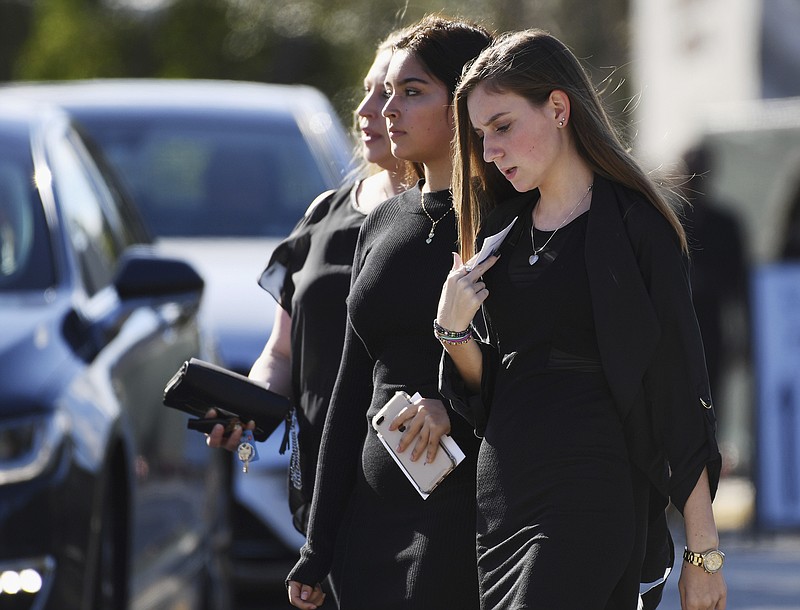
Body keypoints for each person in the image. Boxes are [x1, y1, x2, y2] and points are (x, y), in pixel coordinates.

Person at [436, 30, 726, 610]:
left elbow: (678, 392)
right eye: (479, 135)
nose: (489, 150)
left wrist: (703, 554)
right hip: (504, 492)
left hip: (592, 488)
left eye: (502, 126)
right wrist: (452, 330)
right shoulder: (503, 233)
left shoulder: (636, 227)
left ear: (559, 108)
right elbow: (487, 389)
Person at [286, 15, 493, 610]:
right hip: (369, 528)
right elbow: (351, 391)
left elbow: (534, 371)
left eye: (412, 91)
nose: (388, 109)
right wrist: (318, 544)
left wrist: (453, 403)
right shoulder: (381, 222)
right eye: (386, 92)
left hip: (464, 523)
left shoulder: (510, 225)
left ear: (465, 102)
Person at [205, 29, 416, 533]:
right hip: (320, 495)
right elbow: (281, 355)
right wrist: (245, 405)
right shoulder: (325, 214)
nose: (367, 109)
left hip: (413, 497)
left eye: (390, 93)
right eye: (367, 90)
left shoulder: (461, 221)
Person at [681, 143, 749, 432]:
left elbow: (738, 284)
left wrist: (743, 332)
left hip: (711, 324)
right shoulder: (670, 218)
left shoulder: (725, 223)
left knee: (713, 400)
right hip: (678, 325)